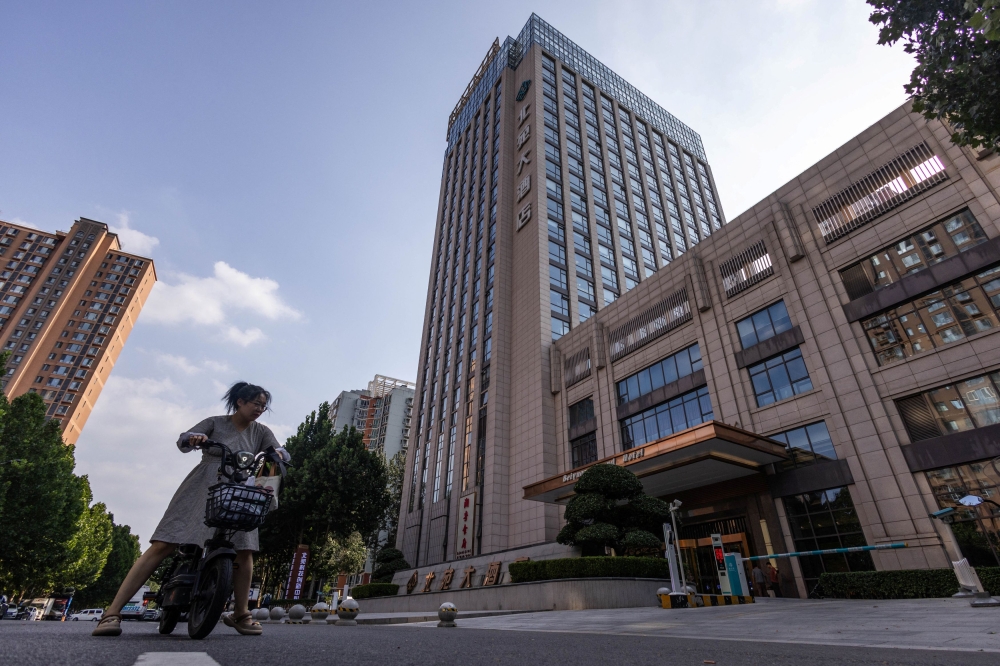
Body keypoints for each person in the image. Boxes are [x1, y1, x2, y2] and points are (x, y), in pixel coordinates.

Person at [93, 382, 289, 637]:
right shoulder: (215, 422)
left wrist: (281, 455)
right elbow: (184, 440)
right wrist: (196, 439)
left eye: (264, 406)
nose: (260, 409)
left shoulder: (261, 432)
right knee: (164, 543)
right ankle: (112, 613)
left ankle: (241, 614)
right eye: (256, 404)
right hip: (202, 484)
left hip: (239, 488)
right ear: (240, 401)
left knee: (245, 548)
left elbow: (278, 449)